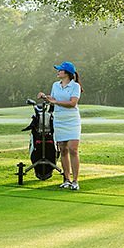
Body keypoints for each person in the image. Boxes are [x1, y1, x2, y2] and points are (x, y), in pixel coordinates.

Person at [38, 61, 82, 190]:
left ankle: (75, 181)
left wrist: (55, 101)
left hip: (72, 120)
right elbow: (53, 99)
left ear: (67, 73)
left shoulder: (75, 86)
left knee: (73, 149)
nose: (58, 72)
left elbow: (72, 103)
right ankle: (67, 179)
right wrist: (45, 97)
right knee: (63, 150)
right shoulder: (55, 85)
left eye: (60, 70)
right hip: (59, 120)